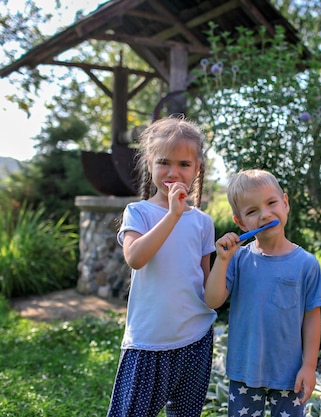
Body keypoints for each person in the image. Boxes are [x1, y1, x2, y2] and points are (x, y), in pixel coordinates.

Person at [106, 115, 217, 417]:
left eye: (184, 164)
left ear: (197, 169)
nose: (173, 172)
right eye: (164, 162)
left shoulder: (204, 223)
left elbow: (209, 291)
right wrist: (173, 214)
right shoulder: (138, 213)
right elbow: (136, 258)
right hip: (149, 341)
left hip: (195, 339)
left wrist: (229, 261)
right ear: (150, 164)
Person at [205, 169, 321, 417]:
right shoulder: (237, 259)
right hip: (244, 372)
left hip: (290, 375)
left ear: (285, 203)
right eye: (252, 211)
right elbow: (212, 300)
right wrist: (221, 260)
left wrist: (309, 366)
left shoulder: (306, 264)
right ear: (240, 222)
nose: (265, 215)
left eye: (271, 203)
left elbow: (312, 318)